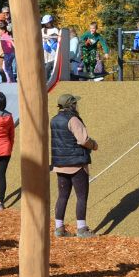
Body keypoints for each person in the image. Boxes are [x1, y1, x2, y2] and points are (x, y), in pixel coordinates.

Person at [50, 94, 98, 238]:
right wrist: (94, 145)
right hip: (77, 164)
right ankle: (81, 229)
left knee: (63, 196)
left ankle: (59, 228)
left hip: (60, 164)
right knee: (81, 196)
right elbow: (83, 140)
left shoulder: (54, 120)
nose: (77, 106)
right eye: (75, 103)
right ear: (71, 105)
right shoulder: (73, 119)